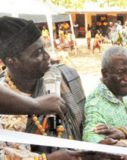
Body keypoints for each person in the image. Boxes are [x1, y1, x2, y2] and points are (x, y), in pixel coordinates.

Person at [0, 16, 93, 159]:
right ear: (12, 61)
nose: (47, 56)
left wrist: (93, 148)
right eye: (37, 53)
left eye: (44, 48)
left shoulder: (66, 76)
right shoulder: (5, 102)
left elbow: (83, 129)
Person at [83, 46, 127, 144]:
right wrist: (114, 145)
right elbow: (90, 136)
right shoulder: (96, 104)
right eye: (121, 72)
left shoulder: (117, 93)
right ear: (105, 74)